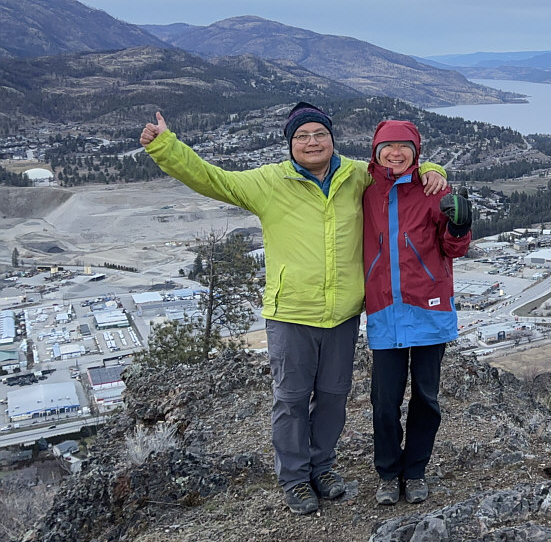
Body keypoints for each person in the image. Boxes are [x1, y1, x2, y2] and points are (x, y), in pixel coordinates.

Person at [138, 103, 448, 515]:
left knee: (335, 399)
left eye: (319, 133)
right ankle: (296, 479)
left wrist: (436, 172)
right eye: (302, 136)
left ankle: (323, 467)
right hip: (290, 312)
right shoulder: (269, 181)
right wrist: (166, 147)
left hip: (342, 314)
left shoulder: (356, 175)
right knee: (291, 400)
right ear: (290, 143)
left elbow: (402, 163)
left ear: (332, 139)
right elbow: (213, 180)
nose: (312, 142)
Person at [363, 120, 472, 505]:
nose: (396, 152)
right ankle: (389, 473)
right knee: (383, 400)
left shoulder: (433, 189)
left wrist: (459, 227)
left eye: (404, 146)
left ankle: (416, 470)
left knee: (426, 398)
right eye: (387, 146)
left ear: (416, 151)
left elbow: (454, 249)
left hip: (428, 307)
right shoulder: (363, 189)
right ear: (375, 151)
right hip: (384, 309)